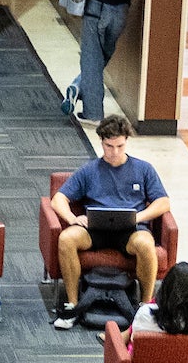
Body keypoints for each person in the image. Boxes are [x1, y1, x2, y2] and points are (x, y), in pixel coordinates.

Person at [48, 113, 171, 326]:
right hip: (95, 229)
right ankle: (72, 305)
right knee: (67, 238)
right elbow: (58, 199)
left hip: (131, 229)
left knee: (145, 243)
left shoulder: (143, 169)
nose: (114, 152)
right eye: (109, 146)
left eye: (120, 146)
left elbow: (163, 203)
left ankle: (144, 307)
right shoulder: (89, 170)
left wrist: (138, 217)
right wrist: (72, 218)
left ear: (126, 142)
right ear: (101, 142)